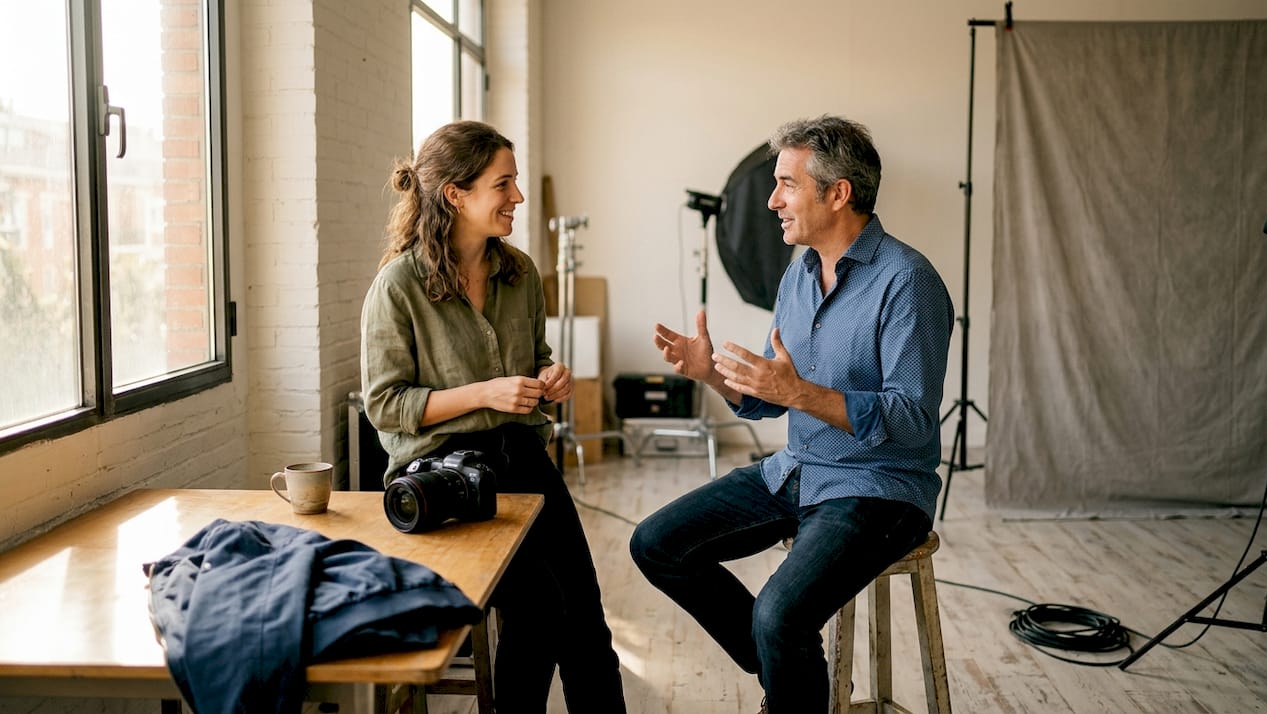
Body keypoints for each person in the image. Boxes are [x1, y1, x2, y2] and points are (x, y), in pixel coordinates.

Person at [629, 115, 954, 713]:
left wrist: (800, 394)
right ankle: (793, 678)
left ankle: (789, 679)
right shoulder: (798, 275)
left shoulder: (909, 282)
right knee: (656, 544)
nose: (773, 200)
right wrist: (712, 376)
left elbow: (912, 421)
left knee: (778, 613)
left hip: (881, 489)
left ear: (837, 193)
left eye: (786, 184)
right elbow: (773, 393)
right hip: (800, 467)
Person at [360, 120, 626, 713]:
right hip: (442, 474)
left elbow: (535, 364)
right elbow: (385, 404)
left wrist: (550, 381)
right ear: (456, 194)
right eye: (503, 184)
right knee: (539, 611)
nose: (518, 198)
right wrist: (484, 393)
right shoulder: (398, 285)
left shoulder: (521, 274)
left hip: (521, 457)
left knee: (586, 622)